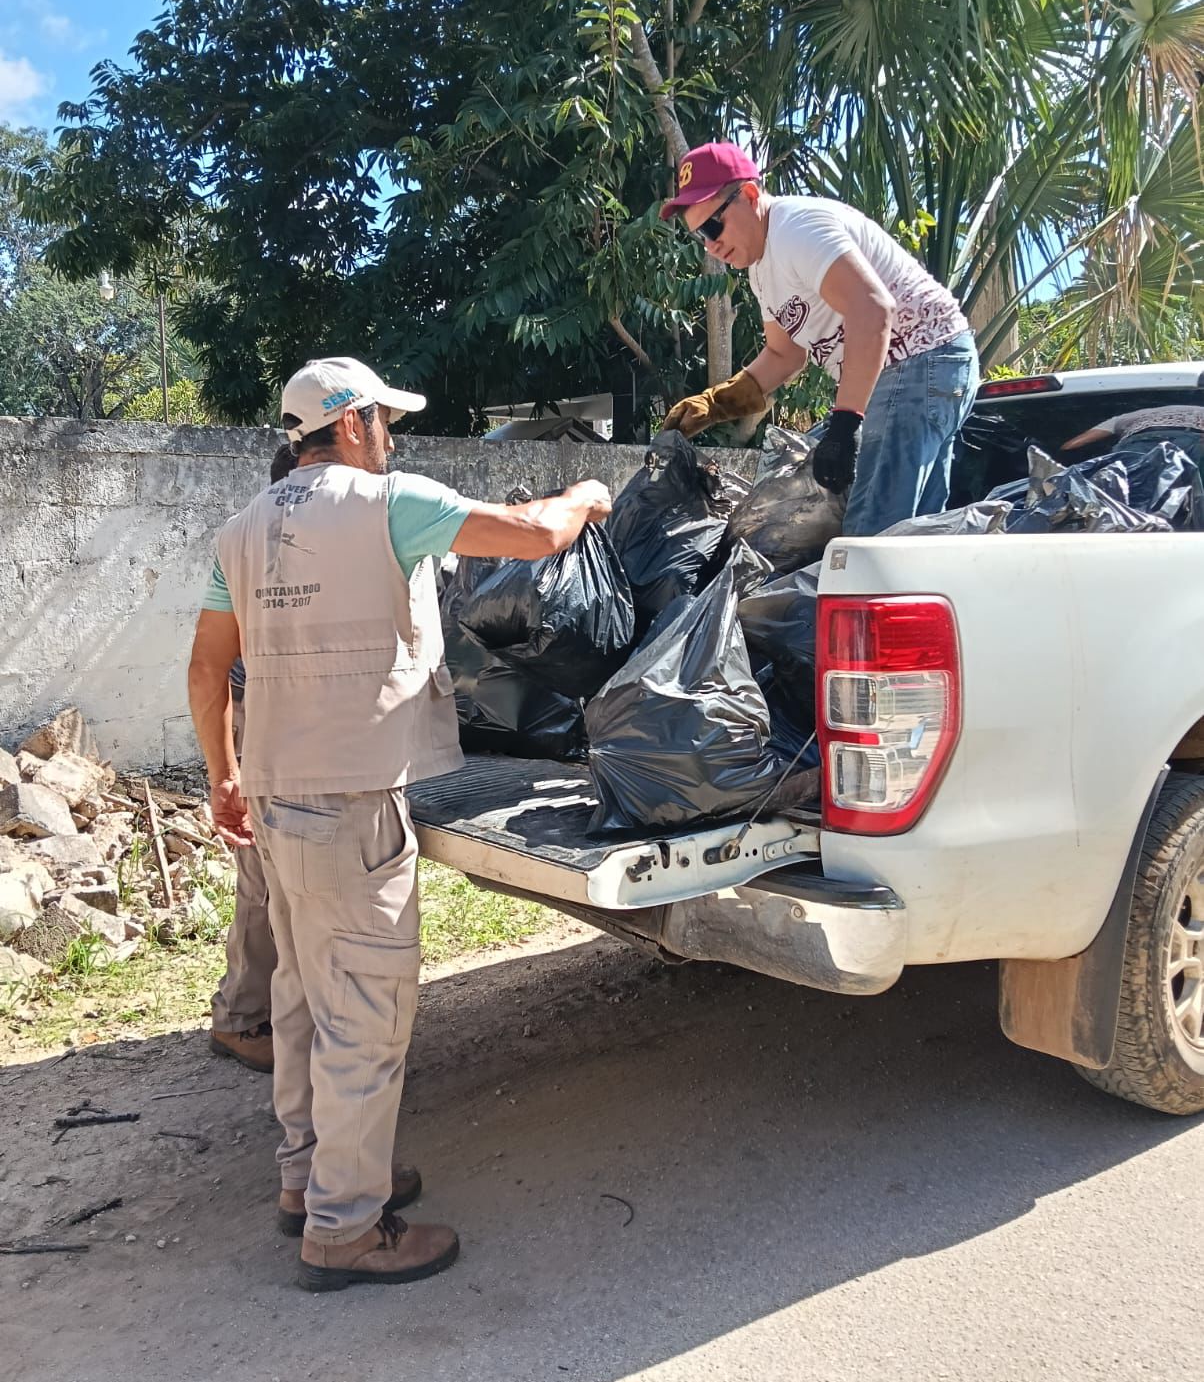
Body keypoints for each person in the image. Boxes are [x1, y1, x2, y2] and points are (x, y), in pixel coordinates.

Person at [188, 356, 611, 1292]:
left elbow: (207, 669)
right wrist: (585, 490)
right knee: (366, 1018)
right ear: (349, 424)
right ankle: (345, 1229)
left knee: (301, 1002)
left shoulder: (241, 531)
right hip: (354, 808)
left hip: (277, 802)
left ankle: (310, 1183)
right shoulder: (388, 502)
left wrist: (223, 774)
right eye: (385, 422)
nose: (393, 438)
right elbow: (539, 537)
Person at [659, 142, 981, 535]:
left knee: (871, 538)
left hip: (919, 359)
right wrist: (714, 404)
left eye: (713, 226)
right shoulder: (761, 269)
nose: (711, 245)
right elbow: (784, 353)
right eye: (700, 237)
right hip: (924, 368)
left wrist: (844, 428)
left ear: (749, 195)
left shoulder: (796, 228)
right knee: (909, 537)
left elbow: (873, 309)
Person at [208, 443, 299, 1075]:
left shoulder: (263, 537)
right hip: (263, 716)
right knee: (263, 876)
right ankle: (241, 1019)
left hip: (270, 716)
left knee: (273, 874)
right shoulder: (266, 544)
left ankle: (269, 1010)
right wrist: (227, 773)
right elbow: (211, 666)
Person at [1062, 403, 1204, 469]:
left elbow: (1073, 445)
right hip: (1193, 442)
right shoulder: (1199, 410)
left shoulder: (1124, 417)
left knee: (1124, 488)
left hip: (1137, 444)